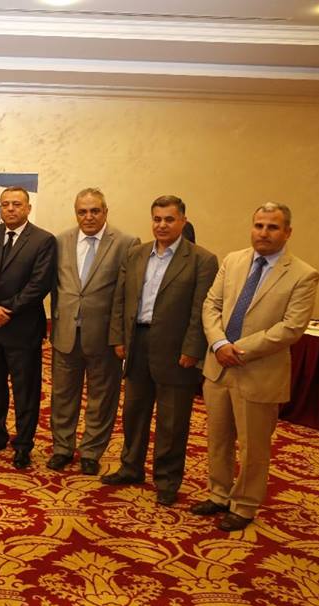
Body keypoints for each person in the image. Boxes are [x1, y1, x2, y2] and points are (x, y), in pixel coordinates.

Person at [191, 202, 319, 531]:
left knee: (253, 447)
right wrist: (219, 344)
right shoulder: (233, 260)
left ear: (287, 232)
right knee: (218, 439)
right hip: (218, 367)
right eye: (259, 225)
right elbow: (211, 304)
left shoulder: (303, 274)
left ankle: (244, 505)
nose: (264, 233)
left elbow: (291, 328)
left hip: (259, 372)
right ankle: (219, 494)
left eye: (272, 227)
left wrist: (239, 350)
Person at [103, 195, 218, 505]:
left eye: (169, 219)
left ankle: (167, 480)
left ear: (182, 221)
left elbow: (201, 310)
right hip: (137, 343)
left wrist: (193, 349)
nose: (162, 225)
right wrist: (118, 338)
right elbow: (121, 299)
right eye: (157, 219)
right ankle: (131, 467)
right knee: (134, 413)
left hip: (176, 350)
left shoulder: (202, 260)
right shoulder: (136, 254)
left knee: (172, 420)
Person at [47, 188, 138, 475]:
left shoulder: (125, 243)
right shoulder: (60, 241)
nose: (88, 216)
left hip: (104, 337)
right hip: (65, 333)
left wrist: (120, 336)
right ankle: (62, 448)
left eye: (94, 211)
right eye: (82, 211)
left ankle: (91, 452)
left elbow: (127, 294)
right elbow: (56, 286)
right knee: (62, 396)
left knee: (102, 398)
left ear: (105, 212)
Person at [0, 186, 55, 469]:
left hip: (22, 328)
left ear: (28, 208)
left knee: (25, 390)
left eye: (16, 204)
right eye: (5, 204)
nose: (10, 209)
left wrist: (7, 309)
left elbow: (39, 284)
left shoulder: (43, 240)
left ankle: (23, 444)